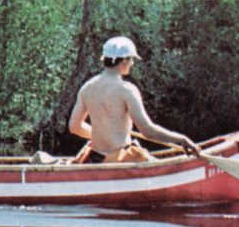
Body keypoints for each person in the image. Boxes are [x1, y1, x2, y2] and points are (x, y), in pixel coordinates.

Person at [68, 36, 200, 163]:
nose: (132, 63)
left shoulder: (87, 88)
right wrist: (181, 139)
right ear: (124, 60)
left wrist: (101, 135)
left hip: (96, 158)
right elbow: (148, 131)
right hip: (122, 159)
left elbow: (74, 127)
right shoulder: (127, 90)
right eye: (131, 59)